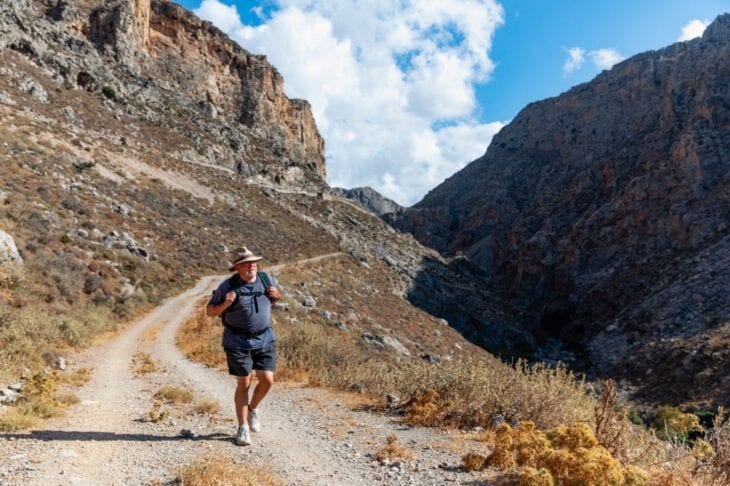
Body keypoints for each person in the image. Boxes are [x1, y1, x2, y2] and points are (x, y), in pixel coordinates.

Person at [206, 247, 281, 446]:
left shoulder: (266, 280)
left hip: (264, 338)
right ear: (237, 267)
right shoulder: (227, 287)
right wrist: (225, 304)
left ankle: (253, 409)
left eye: (254, 262)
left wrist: (277, 295)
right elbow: (210, 312)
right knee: (244, 384)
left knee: (267, 380)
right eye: (247, 263)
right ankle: (243, 428)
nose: (252, 266)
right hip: (237, 342)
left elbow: (273, 300)